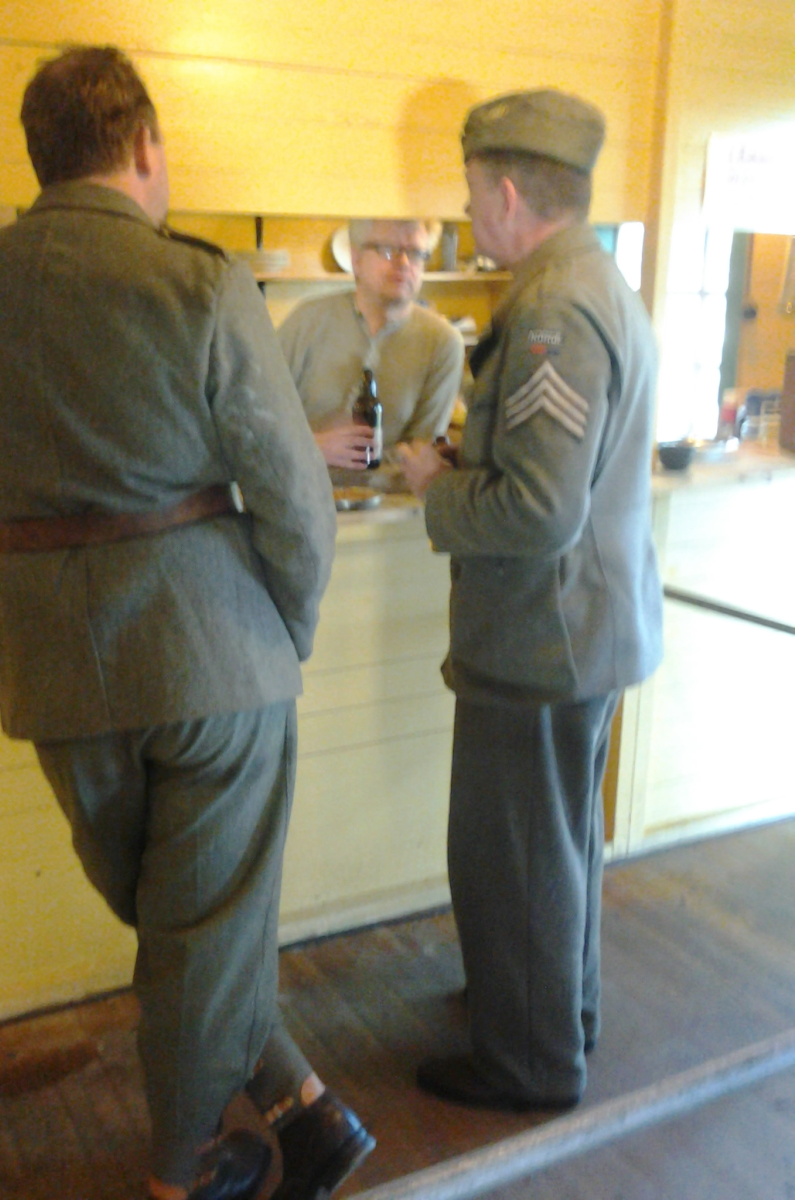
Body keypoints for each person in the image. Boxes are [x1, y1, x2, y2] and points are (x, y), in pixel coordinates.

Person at [0, 45, 374, 1200]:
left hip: (56, 671)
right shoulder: (200, 281)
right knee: (196, 927)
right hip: (217, 655)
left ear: (39, 155)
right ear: (147, 147)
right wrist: (286, 632)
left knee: (178, 922)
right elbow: (296, 496)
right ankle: (183, 1176)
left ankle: (306, 1111)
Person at [397, 88, 664, 1109]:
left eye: (473, 194)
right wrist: (477, 461)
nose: (469, 213)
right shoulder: (595, 280)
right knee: (557, 847)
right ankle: (560, 1018)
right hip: (581, 629)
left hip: (541, 638)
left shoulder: (552, 309)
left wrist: (437, 486)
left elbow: (541, 509)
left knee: (514, 856)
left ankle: (528, 1064)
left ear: (508, 194)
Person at [278, 219, 465, 472]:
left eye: (416, 253)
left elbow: (422, 452)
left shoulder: (444, 342)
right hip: (303, 484)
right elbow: (260, 419)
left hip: (391, 493)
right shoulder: (306, 321)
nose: (404, 263)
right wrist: (312, 447)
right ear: (356, 259)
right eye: (387, 250)